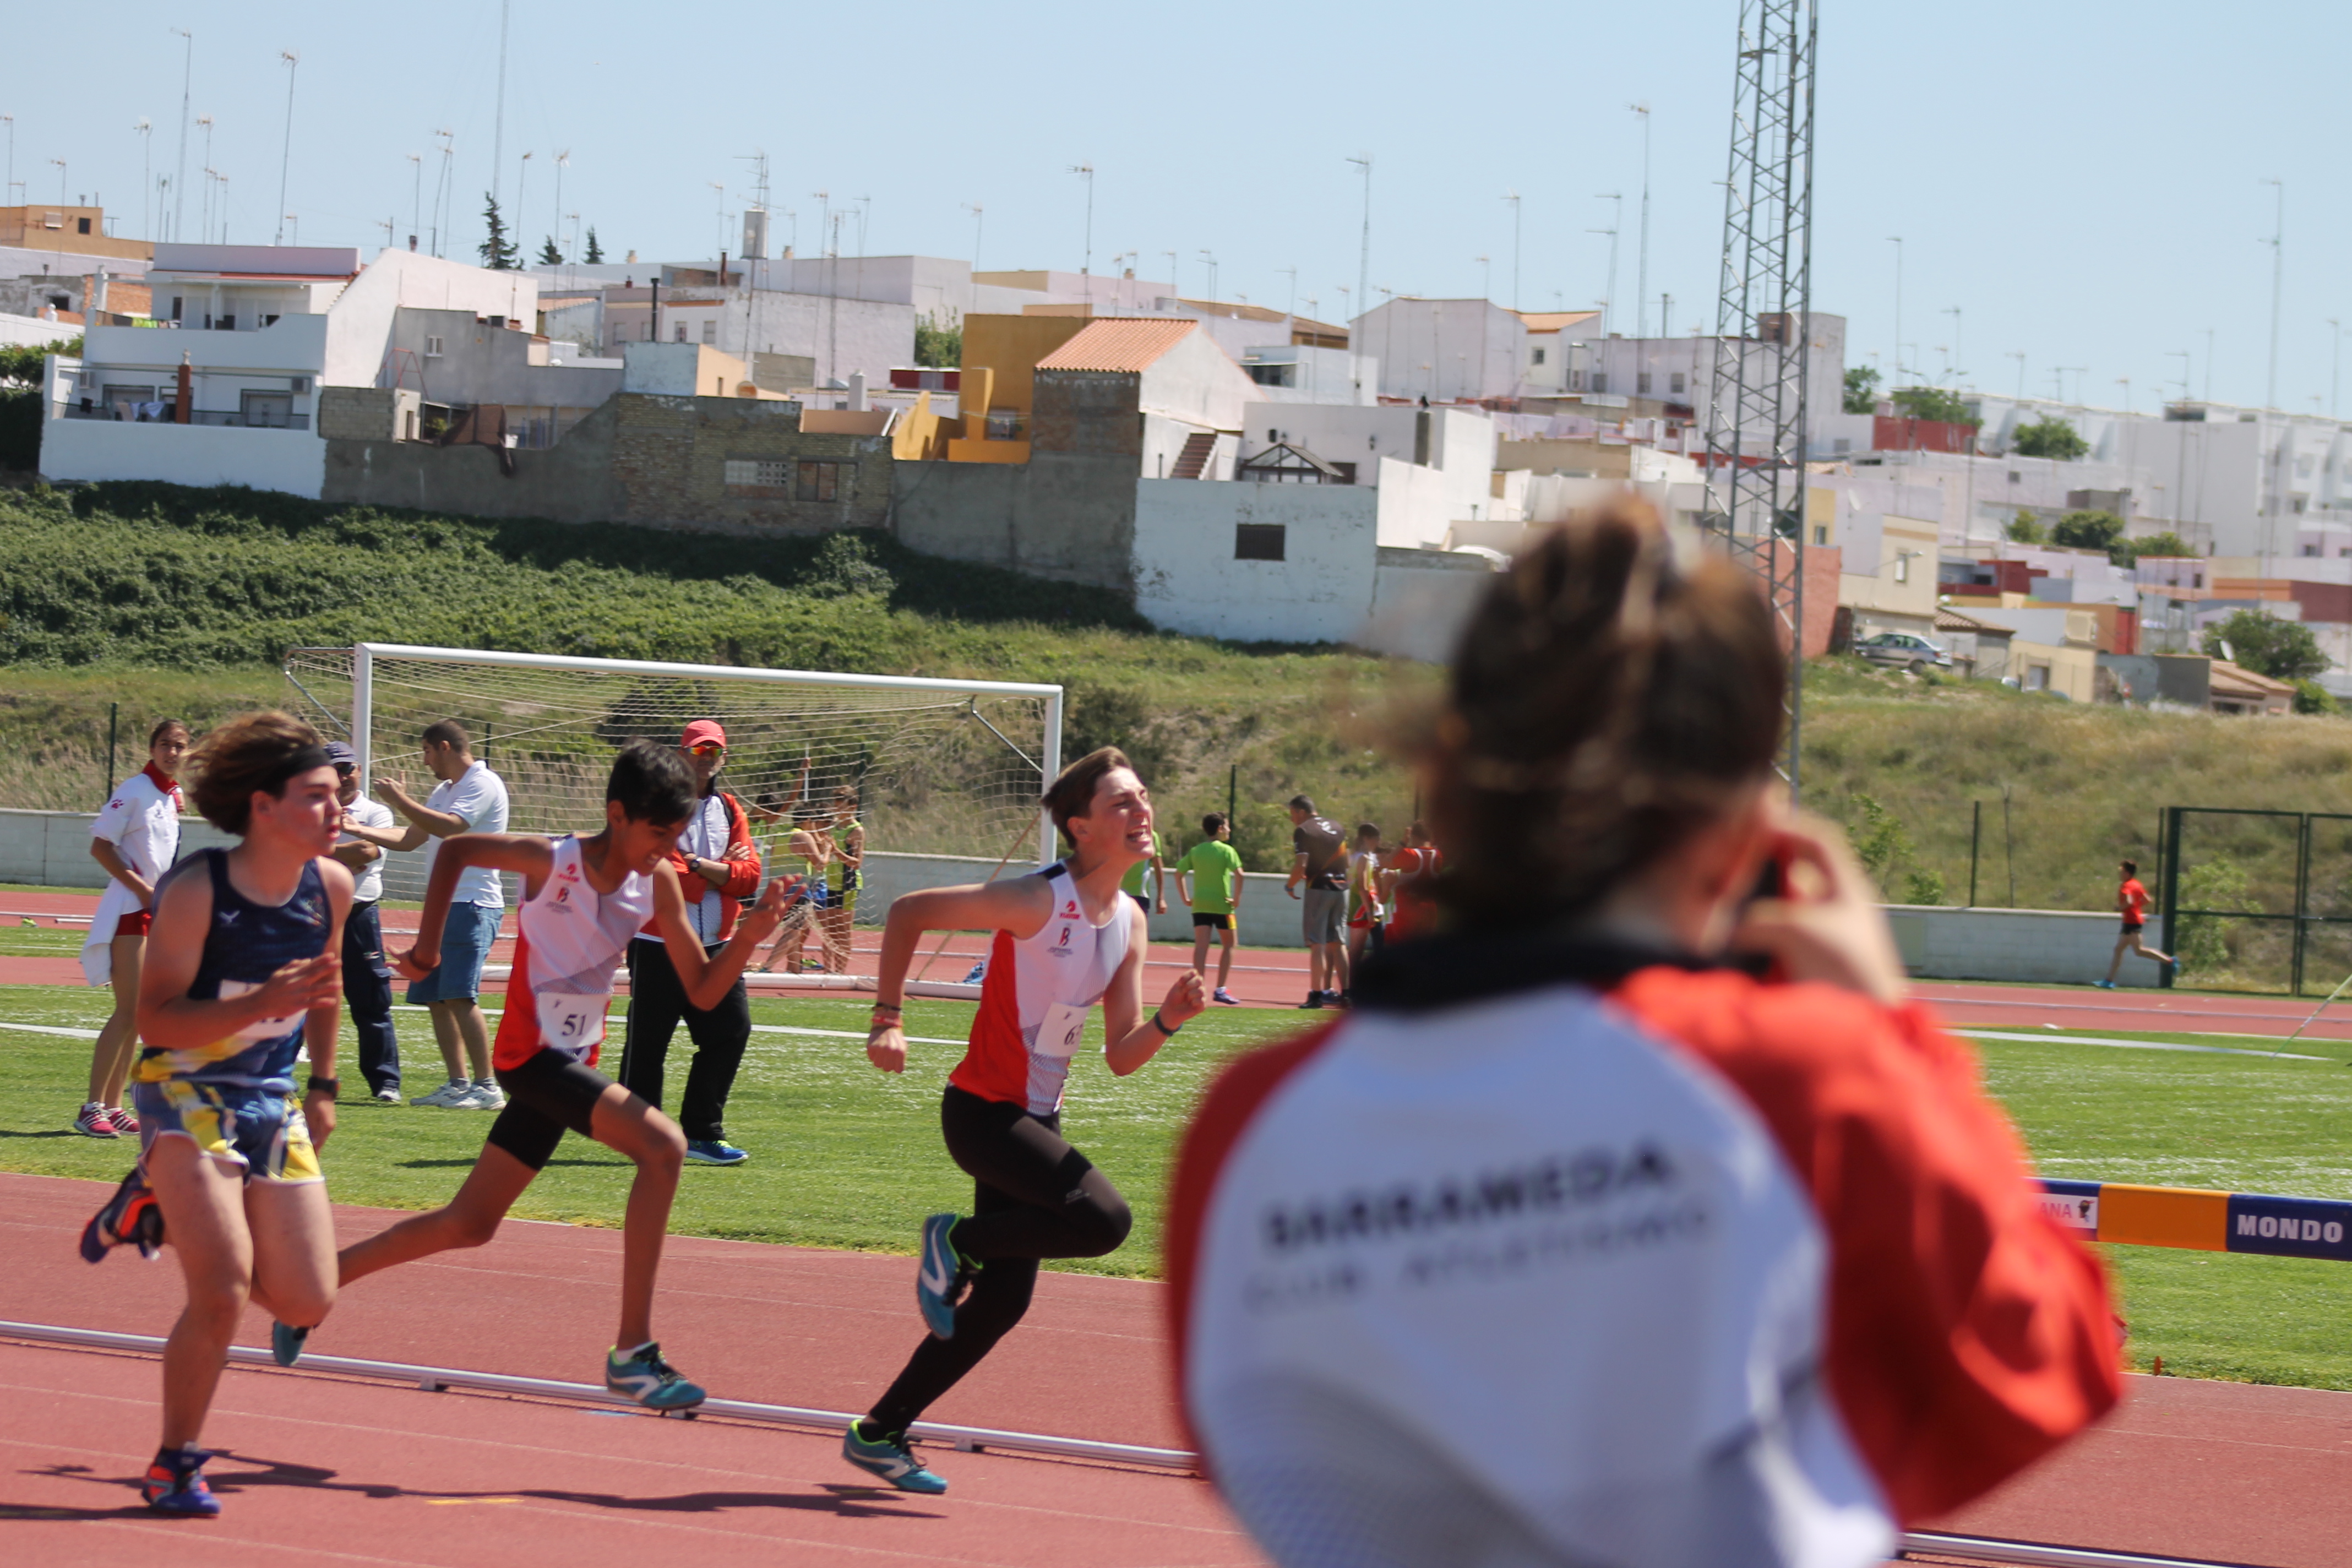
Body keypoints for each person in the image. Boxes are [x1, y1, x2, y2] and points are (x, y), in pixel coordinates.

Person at [1166, 503, 2121, 1568]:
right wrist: (1893, 1031)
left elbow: (1245, 1432)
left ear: (1457, 766)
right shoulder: (1803, 1079)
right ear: (1749, 814)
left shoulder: (1249, 1122)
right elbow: (2052, 1358)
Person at [308, 740, 792, 1405]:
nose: (669, 851)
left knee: (469, 1223)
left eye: (677, 837)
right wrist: (426, 949)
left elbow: (705, 992)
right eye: (659, 835)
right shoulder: (551, 859)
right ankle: (633, 1353)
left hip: (572, 1065)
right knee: (664, 1146)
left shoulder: (658, 882)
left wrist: (750, 936)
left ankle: (318, 1285)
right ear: (617, 815)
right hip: (529, 1058)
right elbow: (454, 851)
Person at [843, 746, 1207, 1495]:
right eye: (1122, 802)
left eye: (1143, 796)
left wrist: (1169, 1021)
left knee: (1004, 1302)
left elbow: (1120, 1055)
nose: (1142, 810)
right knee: (1104, 1220)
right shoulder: (1037, 900)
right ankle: (956, 1240)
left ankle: (880, 1431)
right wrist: (888, 1017)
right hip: (983, 1115)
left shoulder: (1131, 922)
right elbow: (909, 913)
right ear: (1081, 828)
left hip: (1036, 1123)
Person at [83, 711, 351, 1517]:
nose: (338, 810)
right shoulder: (198, 888)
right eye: (317, 796)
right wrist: (260, 1003)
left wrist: (324, 1085)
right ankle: (173, 1463)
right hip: (184, 1089)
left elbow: (326, 988)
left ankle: (152, 1204)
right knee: (225, 1289)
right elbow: (156, 1020)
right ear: (263, 806)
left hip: (270, 1095)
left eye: (339, 795)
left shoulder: (331, 886)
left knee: (306, 1301)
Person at [339, 720, 510, 1109]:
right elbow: (410, 838)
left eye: (427, 752)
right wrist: (357, 828)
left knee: (459, 995)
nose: (425, 761)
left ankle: (487, 1087)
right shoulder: (444, 790)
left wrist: (399, 800)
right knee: (435, 996)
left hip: (472, 902)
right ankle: (458, 1083)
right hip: (442, 905)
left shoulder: (482, 783)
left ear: (444, 747)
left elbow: (451, 828)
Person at [617, 720, 763, 1166]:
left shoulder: (731, 809)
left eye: (714, 752)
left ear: (724, 758)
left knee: (732, 1031)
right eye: (699, 751)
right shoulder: (656, 805)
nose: (706, 760)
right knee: (648, 1044)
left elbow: (750, 879)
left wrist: (700, 867)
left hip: (717, 945)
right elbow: (670, 876)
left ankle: (702, 1133)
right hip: (657, 943)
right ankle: (639, 1135)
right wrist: (716, 871)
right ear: (681, 755)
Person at [77, 718, 190, 1139]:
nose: (172, 752)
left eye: (179, 746)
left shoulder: (170, 795)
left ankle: (114, 1105)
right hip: (130, 909)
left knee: (140, 1014)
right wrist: (143, 890)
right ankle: (91, 1107)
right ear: (152, 748)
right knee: (128, 1011)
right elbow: (100, 846)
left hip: (153, 911)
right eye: (165, 744)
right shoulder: (135, 790)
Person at [326, 743, 402, 1103]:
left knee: (371, 1001)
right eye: (334, 769)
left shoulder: (376, 812)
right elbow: (291, 850)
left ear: (359, 770)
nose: (342, 777)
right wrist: (343, 856)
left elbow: (368, 852)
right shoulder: (309, 809)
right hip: (314, 912)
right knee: (298, 998)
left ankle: (386, 1082)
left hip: (359, 914)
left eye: (347, 768)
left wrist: (321, 853)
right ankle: (287, 1076)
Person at [1283, 794, 1349, 1008]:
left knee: (1317, 943)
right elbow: (1346, 861)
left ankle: (1316, 995)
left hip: (1319, 889)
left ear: (1301, 812)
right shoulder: (1337, 827)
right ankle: (1348, 994)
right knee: (1338, 943)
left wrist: (1290, 885)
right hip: (1342, 888)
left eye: (1293, 814)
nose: (1292, 819)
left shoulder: (1304, 830)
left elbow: (1301, 865)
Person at [1174, 812, 1245, 1005]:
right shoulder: (1227, 850)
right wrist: (1237, 899)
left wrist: (1185, 898)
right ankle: (1221, 989)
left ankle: (1198, 988)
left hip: (1200, 905)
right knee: (1230, 944)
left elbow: (1178, 873)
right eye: (1227, 826)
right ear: (1220, 828)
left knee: (1201, 947)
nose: (1229, 830)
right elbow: (1240, 874)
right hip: (1223, 905)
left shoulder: (1196, 850)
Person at [2098, 859, 2173, 989]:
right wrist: (2136, 907)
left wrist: (2119, 908)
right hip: (2131, 920)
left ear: (2128, 873)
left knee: (2139, 951)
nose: (2120, 874)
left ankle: (2170, 961)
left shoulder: (2126, 886)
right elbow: (2148, 899)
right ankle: (2108, 981)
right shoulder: (2136, 884)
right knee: (2119, 949)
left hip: (2132, 922)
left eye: (2122, 872)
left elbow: (2129, 901)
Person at [816, 784, 867, 975]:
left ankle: (840, 972)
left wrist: (836, 850)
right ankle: (827, 969)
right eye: (836, 805)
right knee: (829, 929)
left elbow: (857, 863)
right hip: (831, 882)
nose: (838, 809)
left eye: (841, 805)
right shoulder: (833, 826)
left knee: (842, 929)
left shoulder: (856, 830)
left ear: (853, 807)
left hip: (848, 883)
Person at [1380, 819, 1443, 945]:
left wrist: (1403, 842)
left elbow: (1386, 862)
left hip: (1407, 910)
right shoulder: (1438, 855)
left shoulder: (1410, 855)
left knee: (1401, 949)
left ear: (1413, 836)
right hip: (1429, 909)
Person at [1343, 821, 1385, 994]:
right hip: (1361, 906)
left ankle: (1351, 987)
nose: (1378, 843)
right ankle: (1351, 988)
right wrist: (1369, 911)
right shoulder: (1364, 858)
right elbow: (1363, 887)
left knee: (1356, 950)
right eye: (1376, 839)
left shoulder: (1354, 856)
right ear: (1367, 839)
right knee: (1356, 951)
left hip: (1357, 904)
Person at [1121, 824, 1168, 919]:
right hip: (1115, 895)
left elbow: (1158, 867)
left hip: (1139, 895)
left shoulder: (1151, 836)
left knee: (1138, 928)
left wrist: (1161, 898)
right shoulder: (1117, 832)